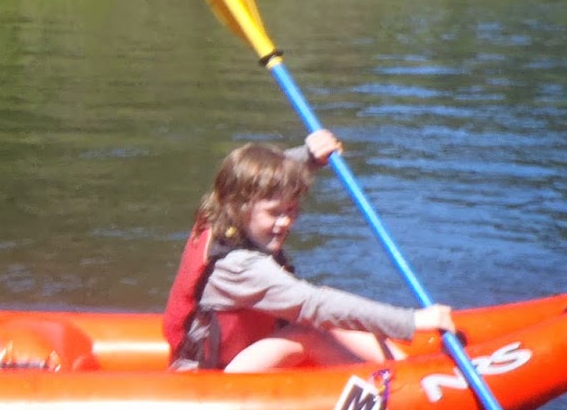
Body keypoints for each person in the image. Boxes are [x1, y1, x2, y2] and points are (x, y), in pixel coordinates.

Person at [163, 130, 455, 372]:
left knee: (328, 310)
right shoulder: (240, 267)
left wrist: (309, 156)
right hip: (210, 376)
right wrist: (412, 321)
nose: (286, 221)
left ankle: (407, 369)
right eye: (275, 213)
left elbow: (257, 179)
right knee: (310, 329)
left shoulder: (216, 214)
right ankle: (390, 392)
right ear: (238, 205)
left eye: (291, 210)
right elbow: (315, 305)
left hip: (238, 354)